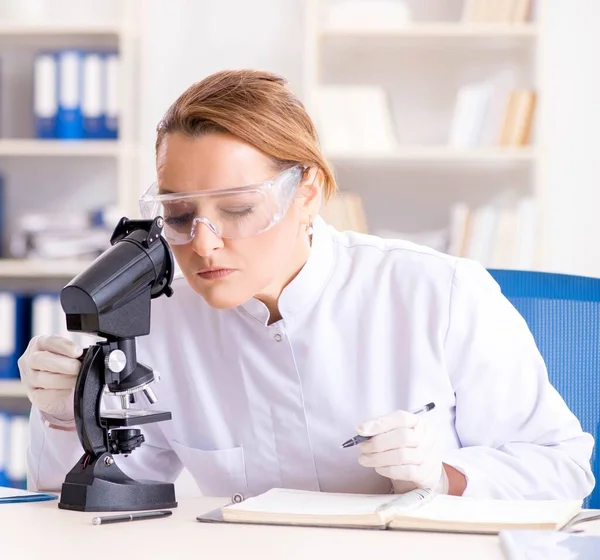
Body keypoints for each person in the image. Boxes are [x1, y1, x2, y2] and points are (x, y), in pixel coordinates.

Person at [19, 69, 594, 501]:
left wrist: (443, 474)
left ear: (308, 194)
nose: (205, 242)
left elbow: (564, 470)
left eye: (238, 209)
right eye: (178, 214)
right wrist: (69, 416)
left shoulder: (436, 293)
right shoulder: (159, 318)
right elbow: (102, 500)